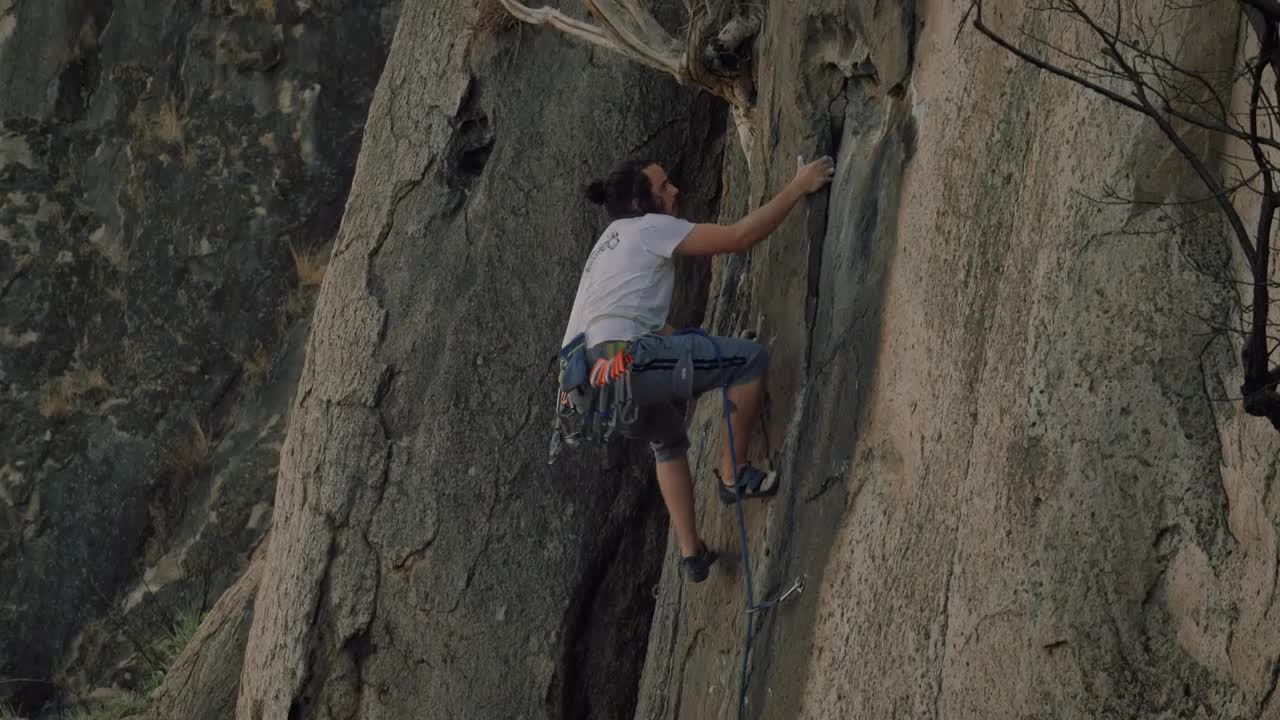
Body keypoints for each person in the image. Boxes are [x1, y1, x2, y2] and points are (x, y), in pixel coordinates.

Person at [558, 155, 836, 582]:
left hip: (585, 385)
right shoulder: (649, 227)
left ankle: (691, 553)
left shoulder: (605, 247)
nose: (675, 191)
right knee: (748, 361)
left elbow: (648, 325)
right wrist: (798, 186)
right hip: (622, 361)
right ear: (639, 203)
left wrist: (706, 343)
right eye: (663, 187)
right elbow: (738, 237)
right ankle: (734, 476)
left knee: (666, 437)